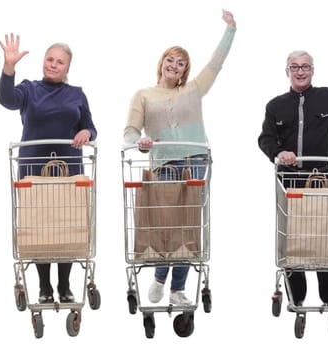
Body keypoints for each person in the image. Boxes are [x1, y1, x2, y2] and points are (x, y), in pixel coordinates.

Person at [124, 10, 235, 306]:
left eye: (181, 63)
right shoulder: (143, 95)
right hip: (164, 165)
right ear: (162, 64)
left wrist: (230, 30)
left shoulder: (194, 90)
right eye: (170, 60)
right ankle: (161, 278)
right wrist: (142, 142)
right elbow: (130, 132)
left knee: (188, 225)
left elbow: (216, 63)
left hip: (196, 160)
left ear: (185, 71)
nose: (175, 65)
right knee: (166, 224)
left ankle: (177, 289)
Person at [257, 50, 328, 307]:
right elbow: (265, 138)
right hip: (289, 182)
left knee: (325, 237)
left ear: (312, 71)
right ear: (287, 71)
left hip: (322, 179)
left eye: (305, 67)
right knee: (293, 237)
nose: (300, 71)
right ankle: (296, 296)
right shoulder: (276, 105)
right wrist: (278, 152)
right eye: (294, 67)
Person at [0, 33, 96, 304]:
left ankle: (64, 287)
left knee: (66, 225)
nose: (53, 64)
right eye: (49, 59)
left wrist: (86, 131)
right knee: (39, 227)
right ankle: (44, 288)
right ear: (43, 61)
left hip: (68, 169)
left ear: (67, 68)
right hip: (33, 169)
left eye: (60, 62)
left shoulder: (76, 94)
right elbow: (6, 100)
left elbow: (90, 126)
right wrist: (9, 68)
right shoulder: (29, 89)